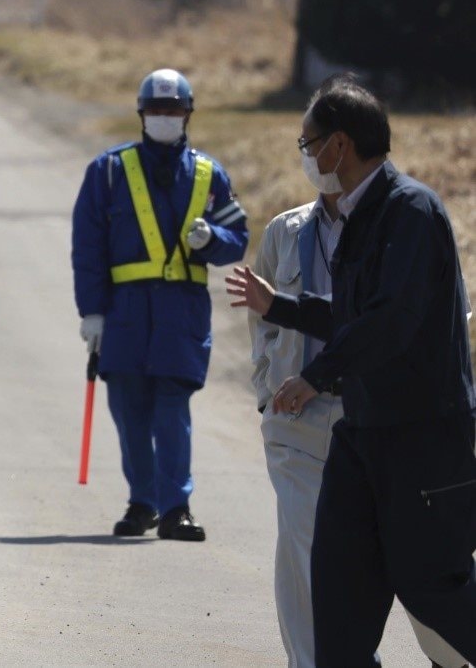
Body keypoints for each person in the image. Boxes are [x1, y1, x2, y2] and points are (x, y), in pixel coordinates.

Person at [227, 75, 476, 667]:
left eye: (308, 143)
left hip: (422, 440)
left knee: (432, 589)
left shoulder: (410, 210)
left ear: (339, 144)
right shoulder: (354, 215)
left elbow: (391, 321)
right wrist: (278, 306)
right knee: (337, 601)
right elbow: (349, 315)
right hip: (361, 439)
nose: (307, 155)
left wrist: (316, 376)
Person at [71, 68, 248, 541]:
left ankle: (176, 508)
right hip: (124, 313)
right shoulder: (107, 171)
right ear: (141, 115)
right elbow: (88, 248)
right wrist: (92, 311)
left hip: (180, 312)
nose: (164, 118)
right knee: (130, 410)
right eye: (156, 111)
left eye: (172, 110)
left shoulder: (210, 175)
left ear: (188, 114)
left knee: (172, 410)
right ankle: (142, 502)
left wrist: (213, 238)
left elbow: (238, 240)